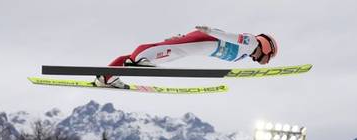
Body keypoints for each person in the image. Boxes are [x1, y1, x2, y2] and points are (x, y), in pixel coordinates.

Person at [94, 26, 278, 89]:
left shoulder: (245, 53)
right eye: (269, 57)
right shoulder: (252, 42)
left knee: (168, 52)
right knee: (167, 51)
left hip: (199, 45)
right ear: (267, 47)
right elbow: (232, 37)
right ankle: (139, 60)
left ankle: (106, 77)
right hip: (205, 40)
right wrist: (210, 31)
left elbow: (227, 37)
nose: (266, 61)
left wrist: (184, 37)